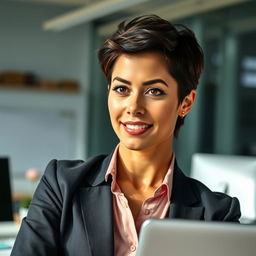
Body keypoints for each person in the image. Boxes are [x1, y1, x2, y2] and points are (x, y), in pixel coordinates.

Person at [11, 14, 240, 256]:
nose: (133, 107)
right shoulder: (62, 185)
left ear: (185, 102)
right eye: (122, 89)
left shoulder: (217, 214)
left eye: (154, 91)